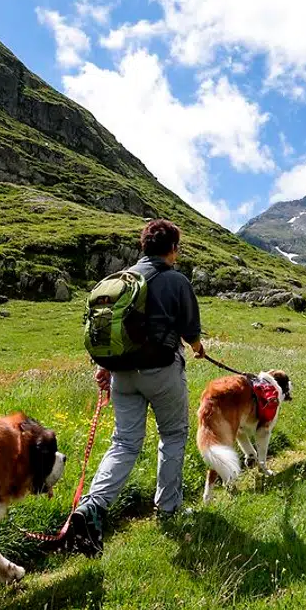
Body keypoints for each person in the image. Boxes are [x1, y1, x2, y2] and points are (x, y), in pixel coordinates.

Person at [63, 220, 205, 554]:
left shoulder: (119, 282)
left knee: (124, 443)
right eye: (178, 248)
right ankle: (168, 508)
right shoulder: (175, 280)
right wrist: (197, 348)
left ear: (144, 247)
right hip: (161, 372)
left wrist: (104, 368)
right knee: (172, 436)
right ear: (172, 248)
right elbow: (191, 331)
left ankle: (92, 507)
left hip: (121, 373)